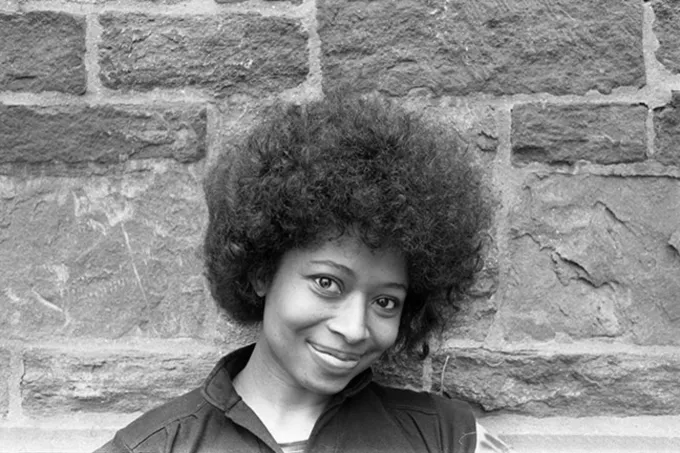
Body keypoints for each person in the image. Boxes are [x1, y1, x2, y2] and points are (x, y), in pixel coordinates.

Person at [95, 93, 510, 453]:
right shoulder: (152, 446)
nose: (353, 329)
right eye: (327, 283)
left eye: (385, 301)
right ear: (261, 272)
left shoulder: (450, 439)